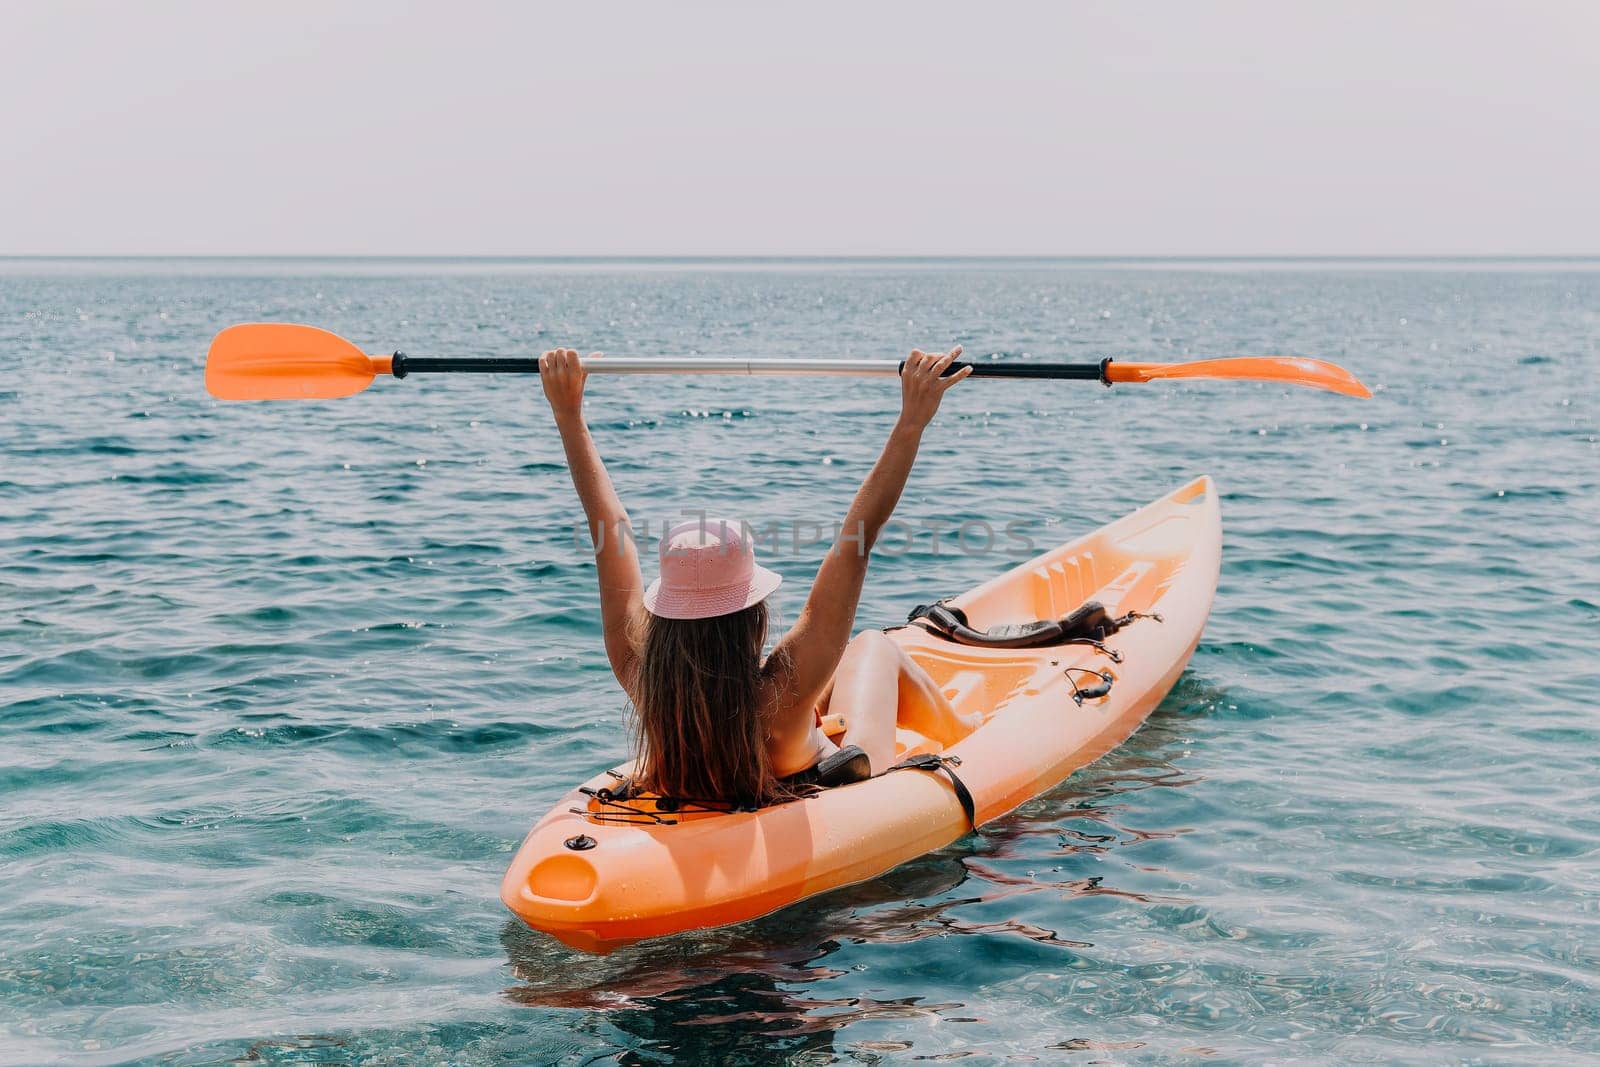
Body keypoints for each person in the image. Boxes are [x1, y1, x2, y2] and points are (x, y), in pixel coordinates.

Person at [539, 345, 978, 807]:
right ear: (751, 613)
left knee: (831, 676)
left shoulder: (641, 674)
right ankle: (971, 735)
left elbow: (610, 531)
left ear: (665, 608)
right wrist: (913, 419)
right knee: (872, 646)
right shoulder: (783, 690)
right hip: (828, 779)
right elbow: (858, 540)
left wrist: (568, 415)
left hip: (736, 769)